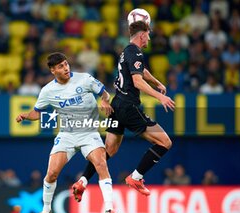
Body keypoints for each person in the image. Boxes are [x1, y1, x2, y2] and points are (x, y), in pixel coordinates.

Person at [72, 20, 175, 201]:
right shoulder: (135, 51)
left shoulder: (127, 51)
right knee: (164, 142)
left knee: (109, 150)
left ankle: (82, 181)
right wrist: (160, 97)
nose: (149, 39)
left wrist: (157, 82)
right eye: (148, 35)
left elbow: (140, 71)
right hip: (128, 106)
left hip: (117, 104)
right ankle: (136, 177)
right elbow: (137, 81)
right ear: (142, 34)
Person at [16, 52, 117, 213]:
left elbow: (105, 94)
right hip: (67, 134)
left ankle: (109, 209)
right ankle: (46, 210)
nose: (66, 68)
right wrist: (26, 116)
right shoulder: (47, 91)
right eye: (61, 66)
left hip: (89, 132)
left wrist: (105, 101)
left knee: (101, 164)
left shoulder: (84, 79)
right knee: (52, 173)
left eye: (66, 64)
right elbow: (36, 113)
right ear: (53, 70)